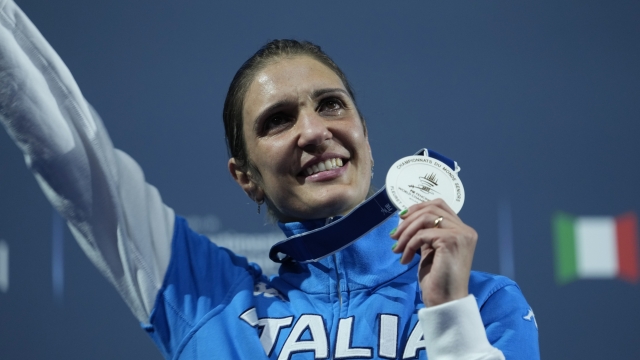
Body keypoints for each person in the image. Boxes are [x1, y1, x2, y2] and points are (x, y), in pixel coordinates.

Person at [0, 1, 539, 359]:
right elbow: (73, 156)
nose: (313, 131)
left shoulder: (486, 302)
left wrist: (448, 311)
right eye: (278, 120)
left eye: (331, 105)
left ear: (366, 137)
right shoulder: (205, 299)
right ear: (246, 178)